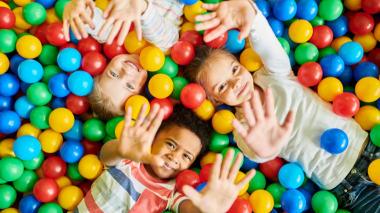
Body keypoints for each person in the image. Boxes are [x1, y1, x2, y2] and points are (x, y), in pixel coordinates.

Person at [184, 1, 379, 211]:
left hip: (369, 146)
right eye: (222, 86)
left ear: (241, 63)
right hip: (345, 187)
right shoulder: (242, 128)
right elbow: (257, 152)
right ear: (216, 100)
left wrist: (251, 14)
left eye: (234, 70)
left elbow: (266, 43)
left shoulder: (274, 76)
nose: (236, 82)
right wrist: (265, 149)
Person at [72, 103, 256, 212]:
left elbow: (189, 208)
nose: (174, 156)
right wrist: (122, 149)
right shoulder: (129, 160)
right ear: (153, 138)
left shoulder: (171, 192)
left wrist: (206, 209)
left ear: (192, 165)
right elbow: (106, 155)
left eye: (186, 156)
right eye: (171, 144)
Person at [62, 0, 183, 120]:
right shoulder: (163, 50)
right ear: (142, 90)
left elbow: (97, 25)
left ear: (104, 65)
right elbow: (162, 34)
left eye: (113, 74)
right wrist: (141, 8)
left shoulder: (115, 37)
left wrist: (79, 10)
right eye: (129, 86)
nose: (126, 73)